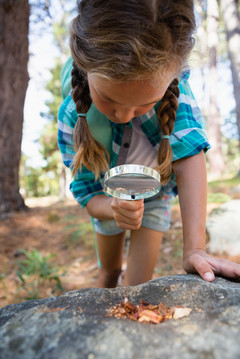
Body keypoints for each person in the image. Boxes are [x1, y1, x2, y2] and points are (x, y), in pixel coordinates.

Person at [58, 0, 240, 288]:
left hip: (153, 200)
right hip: (106, 197)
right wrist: (114, 207)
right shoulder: (73, 114)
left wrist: (194, 248)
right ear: (84, 64)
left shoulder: (179, 98)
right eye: (109, 99)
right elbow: (86, 192)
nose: (123, 115)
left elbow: (190, 157)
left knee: (136, 289)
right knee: (108, 273)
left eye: (145, 104)